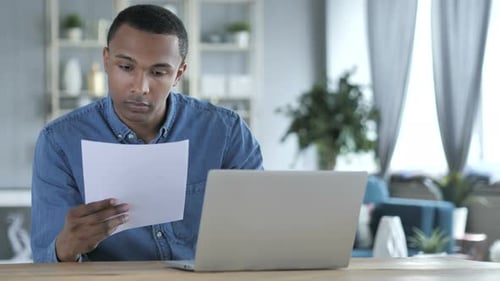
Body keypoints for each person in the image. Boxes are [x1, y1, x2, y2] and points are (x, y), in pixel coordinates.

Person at [31, 4, 263, 263]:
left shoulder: (227, 132)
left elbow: (258, 233)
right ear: (106, 60)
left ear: (178, 74)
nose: (140, 87)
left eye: (158, 72)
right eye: (126, 67)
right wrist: (66, 247)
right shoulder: (59, 142)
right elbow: (45, 260)